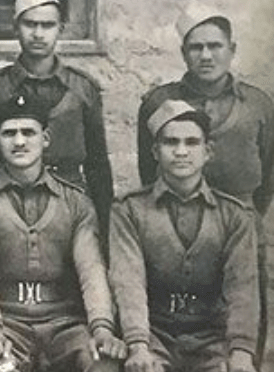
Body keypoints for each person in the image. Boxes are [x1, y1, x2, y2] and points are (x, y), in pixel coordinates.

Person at [0, 94, 126, 372]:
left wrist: (102, 327)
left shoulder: (76, 201)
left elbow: (91, 268)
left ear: (45, 139)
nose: (19, 141)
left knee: (103, 364)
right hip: (6, 320)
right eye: (9, 134)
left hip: (65, 323)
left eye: (28, 132)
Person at [111, 100, 259, 372]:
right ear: (155, 151)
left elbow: (242, 288)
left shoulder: (234, 215)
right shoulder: (129, 210)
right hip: (154, 332)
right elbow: (128, 281)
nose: (181, 152)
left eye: (191, 142)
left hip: (212, 336)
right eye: (171, 142)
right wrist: (138, 344)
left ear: (207, 151)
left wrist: (241, 350)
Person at [0, 0, 112, 237]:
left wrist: (104, 228)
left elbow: (97, 164)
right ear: (15, 28)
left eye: (47, 25)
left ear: (60, 29)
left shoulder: (83, 88)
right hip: (10, 205)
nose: (38, 34)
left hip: (71, 205)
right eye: (30, 24)